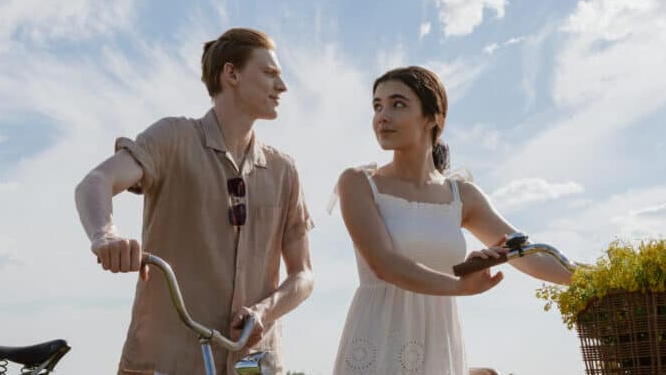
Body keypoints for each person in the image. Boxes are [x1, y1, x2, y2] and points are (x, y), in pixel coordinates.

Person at [74, 28, 314, 375]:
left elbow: (303, 274)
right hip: (165, 360)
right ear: (231, 73)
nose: (282, 86)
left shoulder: (283, 170)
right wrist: (105, 234)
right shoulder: (172, 137)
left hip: (253, 365)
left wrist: (264, 311)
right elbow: (95, 182)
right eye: (270, 73)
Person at [330, 66, 571, 375]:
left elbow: (529, 258)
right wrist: (461, 287)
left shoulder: (462, 195)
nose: (382, 116)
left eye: (398, 104)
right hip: (377, 340)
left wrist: (603, 279)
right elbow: (384, 263)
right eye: (377, 106)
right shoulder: (358, 183)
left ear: (432, 118)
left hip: (439, 343)